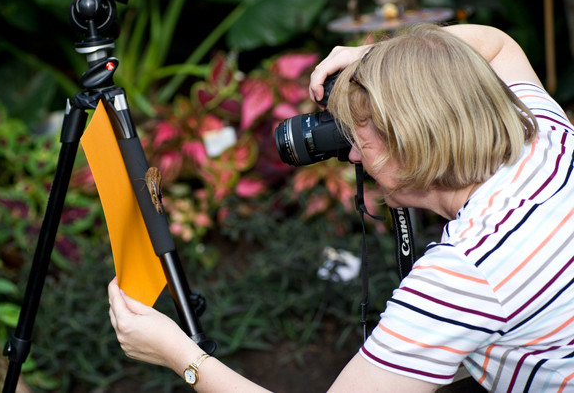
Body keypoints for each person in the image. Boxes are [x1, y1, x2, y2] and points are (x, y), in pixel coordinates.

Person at [108, 23, 574, 392]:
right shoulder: (546, 134)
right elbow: (493, 45)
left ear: (407, 145)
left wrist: (180, 356)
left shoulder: (466, 272)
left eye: (361, 140)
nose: (350, 155)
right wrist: (377, 61)